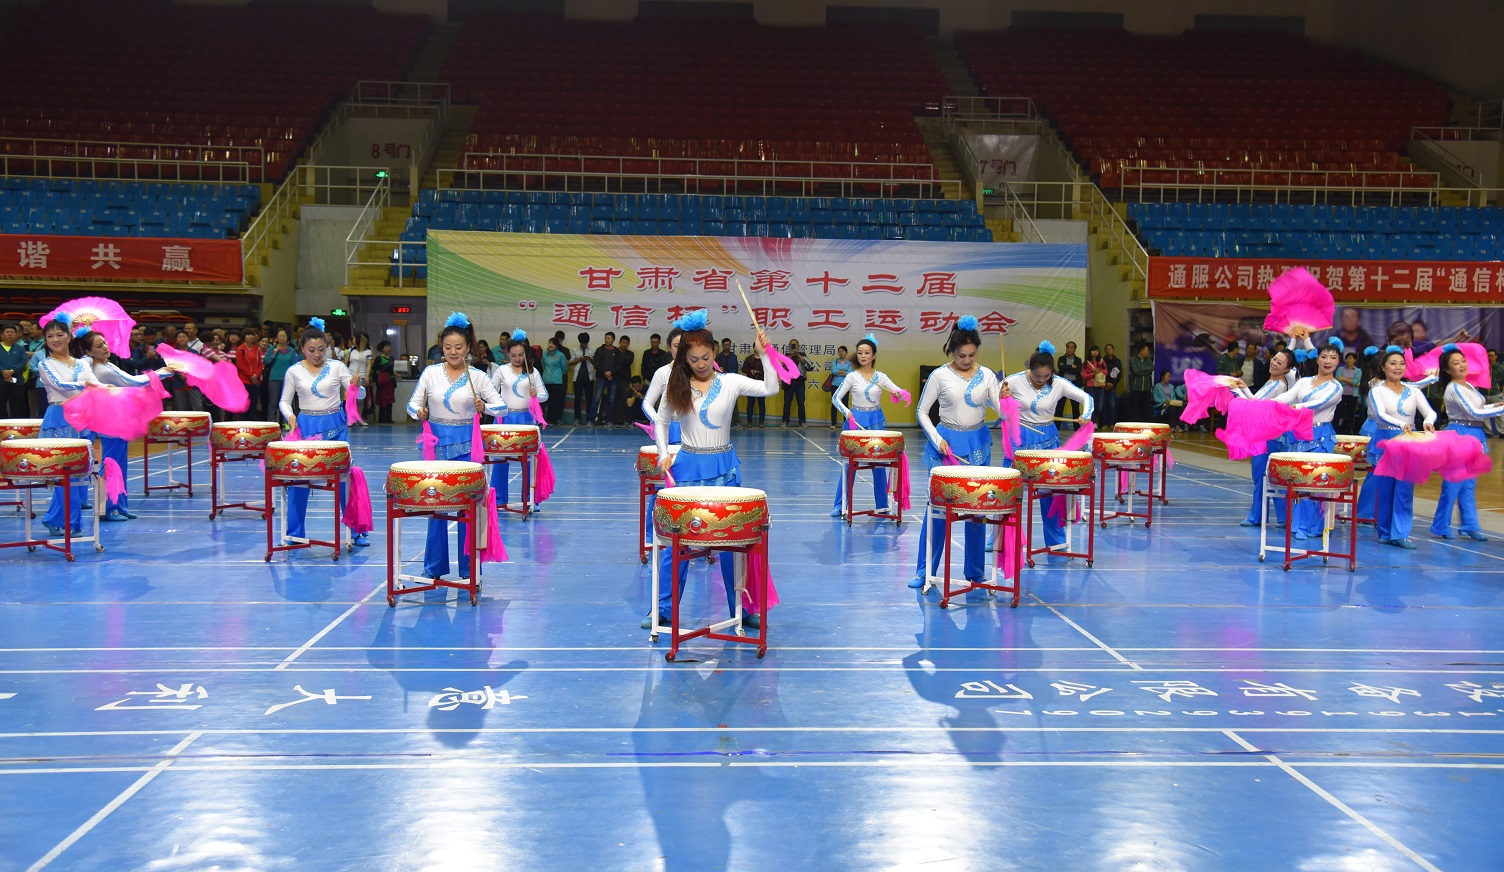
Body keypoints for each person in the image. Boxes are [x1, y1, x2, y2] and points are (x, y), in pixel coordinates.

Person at [649, 312, 778, 630]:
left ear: (715, 352)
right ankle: (663, 608)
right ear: (684, 358)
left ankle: (742, 608)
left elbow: (771, 388)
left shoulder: (731, 382)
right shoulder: (677, 385)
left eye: (706, 357)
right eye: (693, 359)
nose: (701, 364)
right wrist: (664, 453)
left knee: (733, 545)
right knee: (676, 546)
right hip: (688, 469)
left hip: (725, 471)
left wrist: (764, 355)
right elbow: (661, 421)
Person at [408, 313, 507, 580]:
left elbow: (502, 407)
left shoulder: (478, 377)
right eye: (448, 347)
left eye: (459, 347)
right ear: (441, 347)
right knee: (435, 508)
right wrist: (419, 412)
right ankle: (434, 567)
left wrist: (484, 407)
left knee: (468, 510)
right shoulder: (430, 373)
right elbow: (412, 404)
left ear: (468, 348)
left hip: (467, 450)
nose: (453, 352)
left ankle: (469, 568)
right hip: (435, 449)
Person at [912, 316, 1009, 589]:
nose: (966, 360)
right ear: (952, 351)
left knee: (977, 511)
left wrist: (1006, 400)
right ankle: (925, 570)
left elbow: (1002, 414)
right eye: (961, 355)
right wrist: (937, 438)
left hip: (978, 445)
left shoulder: (987, 375)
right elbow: (922, 411)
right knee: (938, 511)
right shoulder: (939, 375)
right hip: (946, 445)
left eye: (971, 355)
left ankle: (975, 572)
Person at [277, 319, 368, 548]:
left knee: (345, 480)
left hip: (336, 429)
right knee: (299, 480)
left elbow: (360, 395)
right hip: (305, 429)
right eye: (311, 350)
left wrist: (356, 386)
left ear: (327, 347)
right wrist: (289, 415)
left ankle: (355, 531)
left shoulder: (337, 367)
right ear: (302, 348)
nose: (317, 354)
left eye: (321, 349)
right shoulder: (294, 371)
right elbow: (284, 401)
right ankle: (295, 532)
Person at [1001, 341, 1093, 553]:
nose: (1042, 379)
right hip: (1019, 439)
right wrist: (1002, 398)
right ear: (1029, 368)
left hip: (1048, 440)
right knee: (1008, 491)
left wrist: (1085, 415)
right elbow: (996, 406)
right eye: (1037, 375)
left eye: (1046, 375)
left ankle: (1056, 539)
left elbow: (1086, 397)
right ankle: (1000, 538)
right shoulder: (1013, 381)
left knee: (1051, 492)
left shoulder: (1058, 383)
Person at [80, 330, 170, 522]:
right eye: (99, 346)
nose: (105, 347)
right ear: (89, 352)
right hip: (109, 421)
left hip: (118, 418)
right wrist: (162, 373)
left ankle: (119, 506)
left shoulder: (107, 364)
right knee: (110, 464)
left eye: (105, 343)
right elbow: (133, 381)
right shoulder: (101, 369)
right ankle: (107, 508)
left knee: (120, 465)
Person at [1267, 338, 1346, 540]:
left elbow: (1321, 403)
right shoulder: (1303, 382)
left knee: (1316, 481)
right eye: (1324, 356)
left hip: (1320, 435)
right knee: (1298, 481)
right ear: (1317, 359)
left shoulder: (1336, 387)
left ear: (1338, 362)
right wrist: (1267, 404)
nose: (1328, 361)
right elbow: (1287, 397)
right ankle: (1299, 524)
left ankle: (1313, 526)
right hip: (1299, 433)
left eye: (1333, 358)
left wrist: (1298, 408)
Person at [36, 316, 102, 537]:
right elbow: (60, 385)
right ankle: (68, 522)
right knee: (64, 473)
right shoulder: (45, 364)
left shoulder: (83, 363)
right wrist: (85, 385)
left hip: (83, 418)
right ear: (45, 340)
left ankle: (54, 519)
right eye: (50, 336)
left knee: (77, 473)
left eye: (59, 334)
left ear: (69, 336)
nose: (55, 339)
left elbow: (97, 385)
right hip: (59, 419)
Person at [829, 334, 910, 517]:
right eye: (860, 353)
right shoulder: (852, 376)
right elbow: (836, 398)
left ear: (874, 355)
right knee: (849, 466)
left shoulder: (881, 377)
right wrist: (847, 412)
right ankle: (840, 505)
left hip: (876, 423)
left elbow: (896, 390)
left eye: (867, 353)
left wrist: (899, 394)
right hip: (855, 423)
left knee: (879, 466)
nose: (863, 356)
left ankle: (882, 505)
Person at [1430, 345, 1503, 541]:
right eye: (1456, 363)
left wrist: (1494, 405)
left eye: (1463, 361)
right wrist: (1501, 410)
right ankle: (1441, 525)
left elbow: (1478, 408)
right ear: (1447, 370)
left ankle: (1470, 525)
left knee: (1469, 484)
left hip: (1474, 433)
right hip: (1460, 434)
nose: (1462, 365)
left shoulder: (1468, 385)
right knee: (1453, 483)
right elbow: (1473, 413)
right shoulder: (1453, 388)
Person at [1367, 346, 1438, 549]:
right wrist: (1401, 424)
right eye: (1393, 363)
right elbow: (1380, 414)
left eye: (1401, 363)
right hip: (1386, 441)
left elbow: (1430, 412)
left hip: (1408, 442)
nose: (1398, 367)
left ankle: (1400, 533)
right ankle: (1385, 532)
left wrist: (1427, 422)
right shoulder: (1377, 390)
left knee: (1405, 490)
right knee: (1386, 490)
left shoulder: (1413, 390)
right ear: (1383, 367)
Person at [1231, 347, 1299, 528]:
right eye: (1274, 359)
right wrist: (1242, 388)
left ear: (1287, 369)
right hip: (1266, 435)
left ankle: (1258, 516)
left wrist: (1238, 390)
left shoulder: (1278, 385)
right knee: (1271, 478)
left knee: (1262, 476)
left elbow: (1255, 405)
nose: (1274, 363)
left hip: (1269, 437)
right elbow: (1255, 401)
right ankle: (1283, 517)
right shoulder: (1273, 382)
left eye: (1280, 363)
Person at [490, 330, 548, 510]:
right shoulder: (501, 371)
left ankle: (530, 499)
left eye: (521, 355)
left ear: (526, 353)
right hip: (504, 420)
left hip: (526, 420)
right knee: (500, 462)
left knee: (529, 461)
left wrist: (535, 395)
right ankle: (498, 499)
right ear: (507, 353)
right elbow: (490, 392)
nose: (517, 359)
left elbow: (545, 395)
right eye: (513, 355)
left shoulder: (533, 372)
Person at [263, 328, 298, 421]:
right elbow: (266, 361)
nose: (282, 338)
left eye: (284, 336)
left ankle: (286, 423)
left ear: (287, 338)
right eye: (280, 336)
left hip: (287, 380)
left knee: (286, 402)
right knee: (273, 403)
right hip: (274, 379)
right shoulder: (272, 349)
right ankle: (271, 423)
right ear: (277, 338)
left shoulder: (291, 351)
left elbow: (295, 365)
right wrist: (273, 354)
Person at [781, 339, 813, 427]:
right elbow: (782, 364)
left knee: (801, 402)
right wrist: (791, 355)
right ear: (789, 346)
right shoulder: (787, 355)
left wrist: (798, 354)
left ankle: (802, 422)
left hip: (799, 382)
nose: (793, 346)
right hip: (789, 382)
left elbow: (808, 364)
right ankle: (785, 421)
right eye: (792, 345)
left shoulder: (802, 355)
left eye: (795, 345)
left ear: (798, 346)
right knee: (787, 402)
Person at [235, 327, 265, 421]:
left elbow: (260, 363)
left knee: (253, 404)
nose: (250, 337)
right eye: (248, 335)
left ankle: (252, 422)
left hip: (255, 381)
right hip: (244, 381)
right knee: (243, 403)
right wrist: (251, 375)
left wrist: (257, 374)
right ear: (244, 337)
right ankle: (242, 422)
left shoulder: (257, 349)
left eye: (252, 335)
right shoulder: (240, 349)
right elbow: (240, 365)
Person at [591, 331, 619, 426]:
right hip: (601, 378)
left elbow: (619, 365)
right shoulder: (600, 350)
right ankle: (591, 420)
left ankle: (608, 420)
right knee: (596, 399)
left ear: (613, 340)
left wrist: (611, 373)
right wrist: (605, 372)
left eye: (609, 338)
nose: (607, 340)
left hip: (613, 379)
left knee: (611, 401)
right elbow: (596, 363)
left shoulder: (617, 351)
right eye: (606, 338)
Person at [0, 323, 28, 418]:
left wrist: (12, 371)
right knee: (1, 407)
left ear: (16, 335)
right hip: (1, 381)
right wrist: (3, 372)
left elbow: (23, 362)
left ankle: (15, 426)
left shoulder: (20, 348)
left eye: (12, 332)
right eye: (7, 332)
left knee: (17, 407)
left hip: (17, 382)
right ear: (1, 334)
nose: (10, 334)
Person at [541, 337, 569, 426]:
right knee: (544, 401)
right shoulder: (544, 354)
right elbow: (543, 365)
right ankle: (542, 420)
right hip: (546, 381)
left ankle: (553, 420)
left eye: (552, 343)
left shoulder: (561, 355)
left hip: (556, 382)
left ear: (556, 346)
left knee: (554, 401)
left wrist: (557, 375)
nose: (550, 345)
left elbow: (565, 369)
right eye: (549, 343)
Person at [347, 333, 372, 427]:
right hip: (351, 376)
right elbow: (346, 363)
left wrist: (367, 376)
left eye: (354, 339)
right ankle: (351, 419)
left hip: (361, 376)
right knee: (350, 399)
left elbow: (369, 365)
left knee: (360, 399)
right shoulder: (351, 351)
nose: (352, 340)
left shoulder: (367, 352)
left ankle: (359, 418)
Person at [569, 332, 594, 425]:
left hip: (589, 377)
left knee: (589, 398)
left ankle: (589, 419)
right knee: (577, 399)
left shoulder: (593, 349)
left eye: (585, 343)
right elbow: (571, 363)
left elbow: (596, 363)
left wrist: (589, 358)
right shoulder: (575, 350)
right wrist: (579, 359)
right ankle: (577, 418)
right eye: (582, 343)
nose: (583, 345)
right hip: (578, 378)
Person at [1057, 341, 1083, 426]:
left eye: (1072, 347)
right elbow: (1061, 368)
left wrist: (1066, 368)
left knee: (1075, 407)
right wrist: (1071, 367)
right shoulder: (1061, 359)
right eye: (1068, 347)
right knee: (1059, 406)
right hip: (1063, 385)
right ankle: (1056, 427)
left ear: (1074, 349)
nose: (1069, 349)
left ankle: (1077, 428)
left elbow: (1078, 370)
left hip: (1074, 384)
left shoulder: (1078, 360)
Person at [1127, 343, 1155, 422]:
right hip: (1136, 389)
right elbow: (1135, 371)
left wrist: (1141, 369)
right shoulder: (1133, 360)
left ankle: (1145, 424)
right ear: (1142, 351)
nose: (1148, 352)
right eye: (1147, 351)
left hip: (1146, 389)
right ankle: (1134, 424)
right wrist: (1146, 371)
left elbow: (1152, 368)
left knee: (1146, 409)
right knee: (1135, 409)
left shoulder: (1148, 360)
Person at [827, 345, 853, 429]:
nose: (841, 353)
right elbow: (833, 371)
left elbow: (850, 373)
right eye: (839, 351)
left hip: (845, 386)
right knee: (834, 404)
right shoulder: (835, 361)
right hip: (835, 385)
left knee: (845, 405)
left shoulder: (849, 363)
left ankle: (846, 424)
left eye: (842, 351)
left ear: (846, 352)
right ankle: (833, 423)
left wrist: (839, 372)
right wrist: (844, 373)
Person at [716, 337, 741, 425]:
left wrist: (727, 374)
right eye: (725, 345)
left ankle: (737, 421)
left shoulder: (733, 357)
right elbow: (716, 369)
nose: (727, 346)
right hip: (720, 382)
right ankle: (722, 421)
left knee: (733, 402)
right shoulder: (718, 357)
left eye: (728, 345)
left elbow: (735, 368)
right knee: (721, 402)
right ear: (722, 346)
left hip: (730, 381)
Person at [612, 335, 635, 426]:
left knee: (624, 400)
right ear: (619, 343)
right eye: (623, 342)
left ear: (628, 344)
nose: (624, 344)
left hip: (625, 380)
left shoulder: (630, 354)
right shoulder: (614, 352)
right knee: (614, 400)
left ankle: (625, 419)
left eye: (626, 343)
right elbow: (613, 363)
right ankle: (615, 419)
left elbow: (626, 362)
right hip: (614, 379)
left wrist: (618, 362)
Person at [372, 340, 397, 424]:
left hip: (391, 382)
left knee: (390, 400)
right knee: (382, 400)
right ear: (382, 349)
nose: (389, 348)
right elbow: (375, 371)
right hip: (383, 383)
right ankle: (381, 418)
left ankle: (389, 418)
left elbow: (391, 369)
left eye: (389, 347)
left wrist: (394, 374)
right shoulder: (379, 358)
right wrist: (378, 380)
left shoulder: (392, 358)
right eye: (386, 347)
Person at [741, 348, 766, 427]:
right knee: (750, 403)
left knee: (761, 404)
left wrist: (761, 372)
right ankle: (749, 422)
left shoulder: (764, 359)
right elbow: (743, 369)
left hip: (761, 384)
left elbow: (768, 370)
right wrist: (750, 371)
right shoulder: (749, 358)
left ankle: (761, 422)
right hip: (751, 384)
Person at [1082, 346, 1106, 424]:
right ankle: (1092, 423)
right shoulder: (1086, 363)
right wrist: (1093, 373)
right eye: (1093, 351)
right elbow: (1084, 376)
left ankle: (1093, 421)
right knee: (1090, 406)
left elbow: (1106, 373)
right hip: (1090, 386)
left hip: (1100, 385)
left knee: (1099, 407)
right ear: (1090, 352)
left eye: (1097, 351)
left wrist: (1099, 370)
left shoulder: (1102, 361)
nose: (1095, 352)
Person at [1101, 344, 1123, 428]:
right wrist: (1106, 383)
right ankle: (1104, 424)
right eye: (1107, 349)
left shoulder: (1117, 361)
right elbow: (1100, 373)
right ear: (1105, 351)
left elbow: (1119, 374)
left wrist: (1112, 383)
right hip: (1103, 385)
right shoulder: (1102, 361)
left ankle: (1112, 424)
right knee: (1103, 405)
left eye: (1110, 349)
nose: (1109, 350)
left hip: (1113, 386)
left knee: (1112, 405)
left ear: (1113, 350)